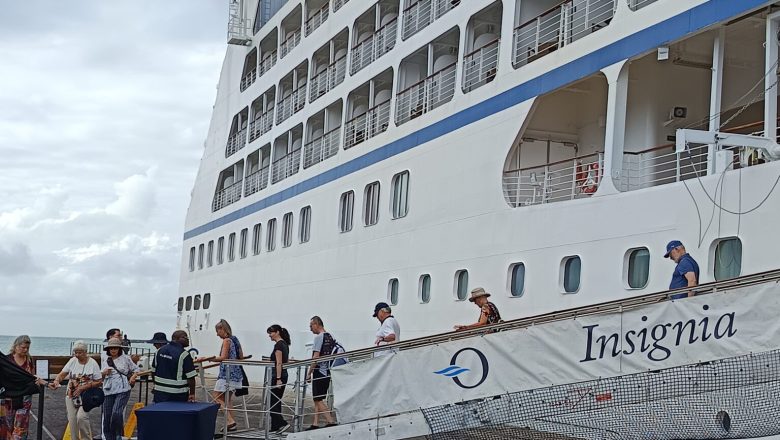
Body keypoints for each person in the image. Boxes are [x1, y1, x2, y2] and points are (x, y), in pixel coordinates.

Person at [194, 320, 243, 432]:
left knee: (216, 396)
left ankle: (230, 421)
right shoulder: (235, 339)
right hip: (236, 373)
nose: (217, 334)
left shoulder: (226, 341)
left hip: (226, 373)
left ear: (223, 329)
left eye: (217, 331)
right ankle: (232, 423)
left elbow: (223, 357)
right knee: (227, 399)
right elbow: (240, 356)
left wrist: (208, 358)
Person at [49, 341, 103, 440]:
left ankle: (86, 438)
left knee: (81, 418)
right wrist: (56, 381)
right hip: (71, 394)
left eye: (80, 352)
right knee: (72, 420)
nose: (77, 355)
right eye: (76, 352)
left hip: (86, 396)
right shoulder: (72, 361)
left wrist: (84, 387)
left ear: (86, 352)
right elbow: (62, 374)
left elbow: (99, 381)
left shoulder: (92, 363)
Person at [0, 335, 46, 440]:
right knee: (6, 426)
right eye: (23, 347)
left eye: (27, 348)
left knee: (21, 428)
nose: (25, 350)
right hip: (8, 399)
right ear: (16, 346)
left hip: (25, 399)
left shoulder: (29, 360)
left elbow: (31, 376)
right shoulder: (7, 360)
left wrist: (43, 382)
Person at [101, 338, 139, 440]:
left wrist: (132, 377)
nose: (113, 350)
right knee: (107, 415)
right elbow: (100, 375)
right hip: (108, 389)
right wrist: (104, 373)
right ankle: (109, 436)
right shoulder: (106, 359)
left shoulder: (125, 358)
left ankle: (118, 435)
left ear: (119, 349)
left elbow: (136, 369)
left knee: (116, 412)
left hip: (123, 388)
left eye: (116, 348)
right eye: (111, 348)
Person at [305, 317, 338, 430]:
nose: (310, 329)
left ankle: (330, 421)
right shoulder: (330, 336)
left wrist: (309, 372)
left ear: (316, 324)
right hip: (328, 370)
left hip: (320, 371)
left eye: (311, 326)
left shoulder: (319, 338)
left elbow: (315, 356)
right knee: (317, 398)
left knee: (317, 398)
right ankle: (315, 423)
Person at [151, 331, 197, 403]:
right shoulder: (184, 354)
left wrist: (156, 385)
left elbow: (153, 372)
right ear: (177, 338)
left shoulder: (159, 351)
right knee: (176, 413)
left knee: (160, 412)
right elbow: (191, 377)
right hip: (178, 394)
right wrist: (192, 393)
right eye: (185, 337)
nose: (188, 340)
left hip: (159, 393)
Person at [267, 325, 290, 433]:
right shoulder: (284, 344)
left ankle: (282, 423)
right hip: (283, 375)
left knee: (273, 401)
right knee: (276, 401)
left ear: (277, 332)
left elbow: (279, 362)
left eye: (271, 333)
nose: (269, 335)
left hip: (278, 376)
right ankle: (275, 425)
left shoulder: (279, 345)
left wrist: (278, 378)